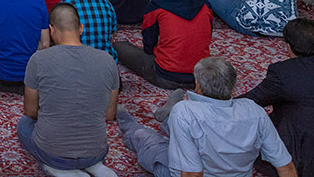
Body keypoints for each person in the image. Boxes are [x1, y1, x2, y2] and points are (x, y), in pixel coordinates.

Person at [117, 56, 296, 177]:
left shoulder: (186, 111)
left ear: (198, 85)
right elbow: (285, 166)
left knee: (143, 137)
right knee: (179, 122)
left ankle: (124, 117)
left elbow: (192, 173)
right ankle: (167, 115)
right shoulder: (254, 110)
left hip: (185, 170)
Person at [19, 3, 120, 176]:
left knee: (24, 125)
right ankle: (95, 166)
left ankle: (59, 169)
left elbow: (30, 111)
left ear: (51, 29)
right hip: (95, 151)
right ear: (81, 28)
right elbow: (109, 115)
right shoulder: (107, 60)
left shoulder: (38, 60)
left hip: (53, 153)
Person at [114, 0, 213, 90]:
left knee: (118, 47)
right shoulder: (205, 4)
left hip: (166, 76)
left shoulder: (157, 5)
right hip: (200, 76)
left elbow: (149, 44)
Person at [241, 17, 314, 177]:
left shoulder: (283, 73)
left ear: (288, 47)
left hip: (299, 151)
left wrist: (216, 102)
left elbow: (252, 100)